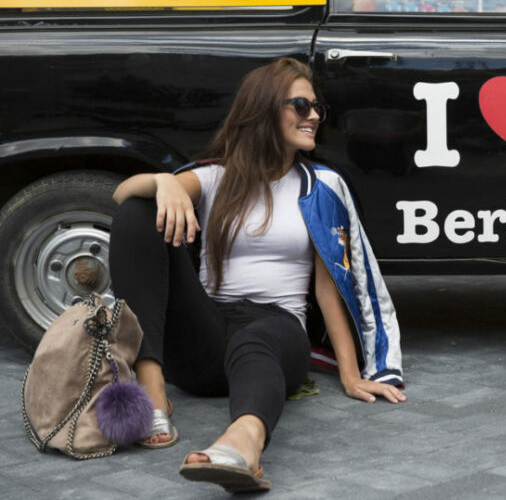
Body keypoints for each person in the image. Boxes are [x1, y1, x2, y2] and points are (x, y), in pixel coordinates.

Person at [109, 57, 406, 493]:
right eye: (300, 105)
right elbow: (120, 194)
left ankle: (241, 444)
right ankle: (152, 394)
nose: (314, 117)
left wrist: (349, 372)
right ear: (265, 108)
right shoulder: (215, 177)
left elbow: (329, 290)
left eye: (318, 108)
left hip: (278, 331)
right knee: (137, 212)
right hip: (208, 334)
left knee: (257, 338)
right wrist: (164, 182)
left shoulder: (320, 187)